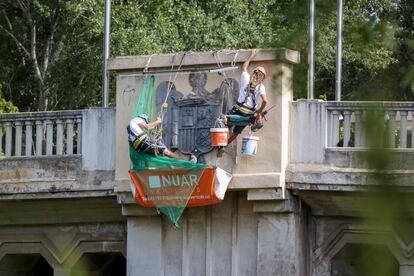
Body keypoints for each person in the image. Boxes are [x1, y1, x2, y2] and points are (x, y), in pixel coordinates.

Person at [224, 49, 268, 149]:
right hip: (248, 114)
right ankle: (225, 146)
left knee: (226, 123)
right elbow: (265, 101)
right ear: (263, 77)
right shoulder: (261, 87)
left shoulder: (246, 78)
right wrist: (260, 111)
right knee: (236, 133)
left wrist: (251, 56)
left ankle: (221, 143)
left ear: (254, 73)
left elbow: (244, 67)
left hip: (238, 109)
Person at [127, 114, 197, 162]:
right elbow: (147, 127)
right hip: (142, 143)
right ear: (143, 119)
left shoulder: (134, 130)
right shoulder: (137, 119)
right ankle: (186, 161)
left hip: (140, 147)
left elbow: (149, 133)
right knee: (165, 151)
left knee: (162, 153)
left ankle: (178, 164)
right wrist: (158, 121)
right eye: (145, 122)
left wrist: (157, 133)